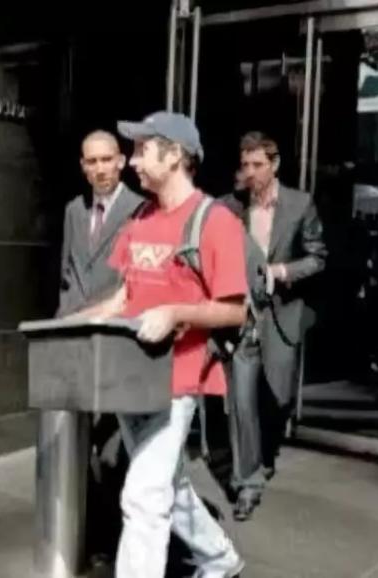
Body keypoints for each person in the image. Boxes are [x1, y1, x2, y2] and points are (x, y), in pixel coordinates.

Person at [68, 111, 247, 578]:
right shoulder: (142, 218)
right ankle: (220, 559)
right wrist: (71, 323)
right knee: (169, 484)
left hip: (176, 380)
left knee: (143, 497)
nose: (131, 162)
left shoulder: (215, 221)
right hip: (131, 378)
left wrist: (175, 313)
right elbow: (124, 297)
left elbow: (235, 311)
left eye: (142, 150)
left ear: (173, 156)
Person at [219, 131, 326, 521]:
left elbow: (318, 257)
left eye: (258, 165)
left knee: (276, 399)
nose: (251, 172)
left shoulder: (300, 204)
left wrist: (281, 271)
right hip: (244, 317)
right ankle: (247, 481)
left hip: (281, 313)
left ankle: (262, 455)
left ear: (275, 164)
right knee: (242, 401)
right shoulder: (230, 207)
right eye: (245, 165)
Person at [57, 129, 144, 566]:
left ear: (122, 161)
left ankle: (114, 541)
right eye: (91, 162)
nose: (100, 169)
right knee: (78, 444)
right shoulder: (74, 210)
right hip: (76, 343)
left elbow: (137, 284)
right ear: (82, 166)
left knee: (114, 451)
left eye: (107, 160)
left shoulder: (141, 210)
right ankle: (89, 538)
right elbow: (69, 276)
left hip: (118, 342)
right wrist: (63, 327)